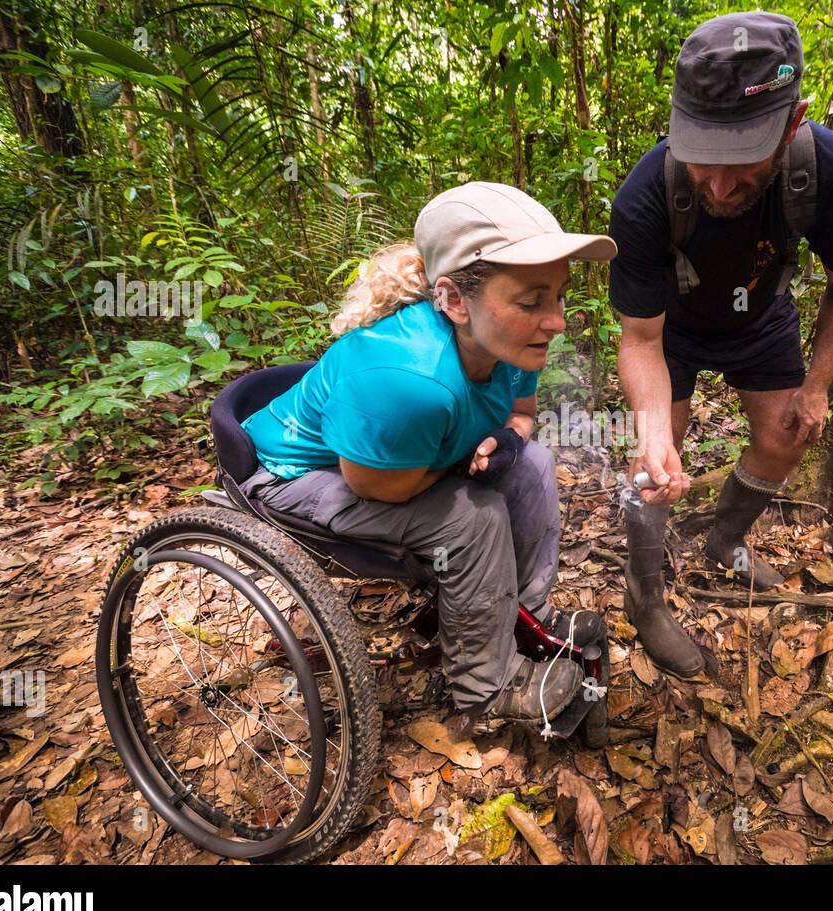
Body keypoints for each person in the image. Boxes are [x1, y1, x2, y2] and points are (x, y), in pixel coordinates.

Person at [236, 181, 617, 726]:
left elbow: (523, 415)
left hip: (398, 458)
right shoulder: (410, 380)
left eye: (558, 296)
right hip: (294, 475)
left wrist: (509, 440)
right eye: (531, 302)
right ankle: (485, 684)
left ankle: (524, 616)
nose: (556, 321)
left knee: (534, 466)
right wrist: (464, 461)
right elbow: (379, 487)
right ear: (455, 300)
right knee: (472, 515)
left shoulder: (512, 343)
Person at [609, 11, 833, 677]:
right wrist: (651, 431)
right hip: (671, 326)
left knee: (789, 433)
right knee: (654, 469)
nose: (720, 186)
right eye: (704, 159)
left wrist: (816, 386)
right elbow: (639, 338)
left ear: (792, 122)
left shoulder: (831, 171)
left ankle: (723, 541)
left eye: (742, 161)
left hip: (760, 317)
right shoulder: (645, 195)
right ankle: (645, 600)